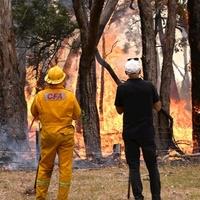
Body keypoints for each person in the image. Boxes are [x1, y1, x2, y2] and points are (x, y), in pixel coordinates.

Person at [31, 65, 81, 200]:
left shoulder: (40, 96)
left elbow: (33, 112)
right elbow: (77, 115)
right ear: (62, 80)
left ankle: (41, 197)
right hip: (65, 135)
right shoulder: (70, 96)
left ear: (48, 81)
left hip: (47, 135)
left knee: (45, 167)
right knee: (65, 168)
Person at [114, 58, 161, 200]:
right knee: (152, 166)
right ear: (140, 71)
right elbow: (158, 107)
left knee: (134, 166)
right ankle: (156, 197)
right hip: (146, 132)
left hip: (130, 133)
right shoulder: (149, 86)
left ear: (126, 72)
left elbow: (119, 110)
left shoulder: (122, 88)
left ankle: (138, 197)